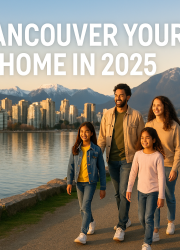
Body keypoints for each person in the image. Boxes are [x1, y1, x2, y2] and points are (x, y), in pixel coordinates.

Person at [97, 83, 144, 241]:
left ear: (128, 97)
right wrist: (97, 159)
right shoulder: (107, 115)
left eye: (121, 95)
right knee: (118, 194)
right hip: (112, 160)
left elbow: (141, 141)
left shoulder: (136, 116)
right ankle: (126, 219)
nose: (118, 98)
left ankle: (121, 226)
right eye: (116, 95)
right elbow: (102, 138)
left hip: (128, 161)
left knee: (124, 193)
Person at [145, 96, 180, 241]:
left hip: (168, 167)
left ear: (165, 107)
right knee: (154, 199)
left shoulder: (174, 126)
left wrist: (174, 168)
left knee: (169, 196)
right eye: (154, 105)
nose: (156, 108)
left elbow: (179, 149)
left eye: (159, 105)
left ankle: (171, 222)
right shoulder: (149, 124)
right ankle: (155, 230)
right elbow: (145, 146)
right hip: (153, 169)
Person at [67, 122, 107, 245]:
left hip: (91, 182)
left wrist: (103, 187)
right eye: (81, 131)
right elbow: (71, 166)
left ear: (91, 133)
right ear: (79, 133)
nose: (84, 134)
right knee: (82, 208)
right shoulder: (76, 148)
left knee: (85, 206)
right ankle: (92, 222)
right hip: (79, 183)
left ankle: (83, 234)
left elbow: (102, 169)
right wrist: (69, 182)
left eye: (86, 131)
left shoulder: (96, 150)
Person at [126, 127, 166, 250]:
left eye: (147, 138)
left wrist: (161, 196)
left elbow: (161, 177)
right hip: (140, 191)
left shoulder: (158, 156)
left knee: (149, 217)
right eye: (142, 138)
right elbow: (133, 172)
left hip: (153, 192)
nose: (144, 140)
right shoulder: (138, 154)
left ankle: (147, 243)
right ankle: (150, 233)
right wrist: (129, 189)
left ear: (154, 140)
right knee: (141, 217)